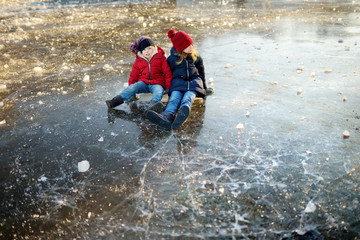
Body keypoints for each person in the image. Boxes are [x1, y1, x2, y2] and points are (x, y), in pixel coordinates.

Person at [147, 29, 208, 130]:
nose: (191, 47)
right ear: (180, 48)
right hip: (177, 84)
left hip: (193, 84)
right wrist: (165, 87)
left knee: (188, 98)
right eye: (188, 46)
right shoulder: (171, 59)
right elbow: (167, 74)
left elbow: (201, 73)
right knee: (174, 99)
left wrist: (204, 87)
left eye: (191, 45)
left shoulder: (196, 58)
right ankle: (166, 116)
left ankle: (182, 114)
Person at [106, 36, 172, 113]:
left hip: (157, 83)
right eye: (144, 50)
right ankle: (114, 102)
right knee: (133, 87)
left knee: (158, 91)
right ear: (141, 51)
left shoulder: (161, 57)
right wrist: (132, 90)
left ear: (154, 48)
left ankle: (152, 106)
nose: (147, 52)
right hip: (143, 83)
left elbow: (167, 73)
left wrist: (168, 87)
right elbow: (134, 75)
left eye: (149, 48)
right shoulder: (139, 60)